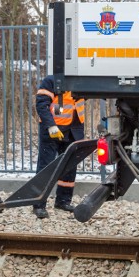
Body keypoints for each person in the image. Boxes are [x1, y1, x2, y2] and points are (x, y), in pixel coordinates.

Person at [32, 75, 85, 219]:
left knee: (69, 166)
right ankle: (38, 204)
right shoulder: (51, 81)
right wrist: (51, 126)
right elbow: (41, 104)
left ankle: (63, 201)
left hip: (73, 130)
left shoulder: (80, 81)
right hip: (53, 130)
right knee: (46, 167)